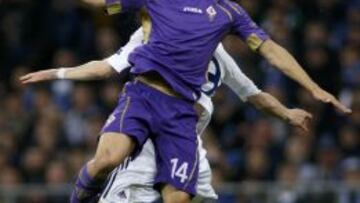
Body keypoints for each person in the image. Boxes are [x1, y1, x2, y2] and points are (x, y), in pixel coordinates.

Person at [26, 0, 352, 201]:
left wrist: (310, 89)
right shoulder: (145, 29)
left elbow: (267, 60)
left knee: (180, 198)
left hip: (183, 115)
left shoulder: (226, 17)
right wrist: (58, 73)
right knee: (107, 161)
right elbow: (101, 27)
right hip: (143, 96)